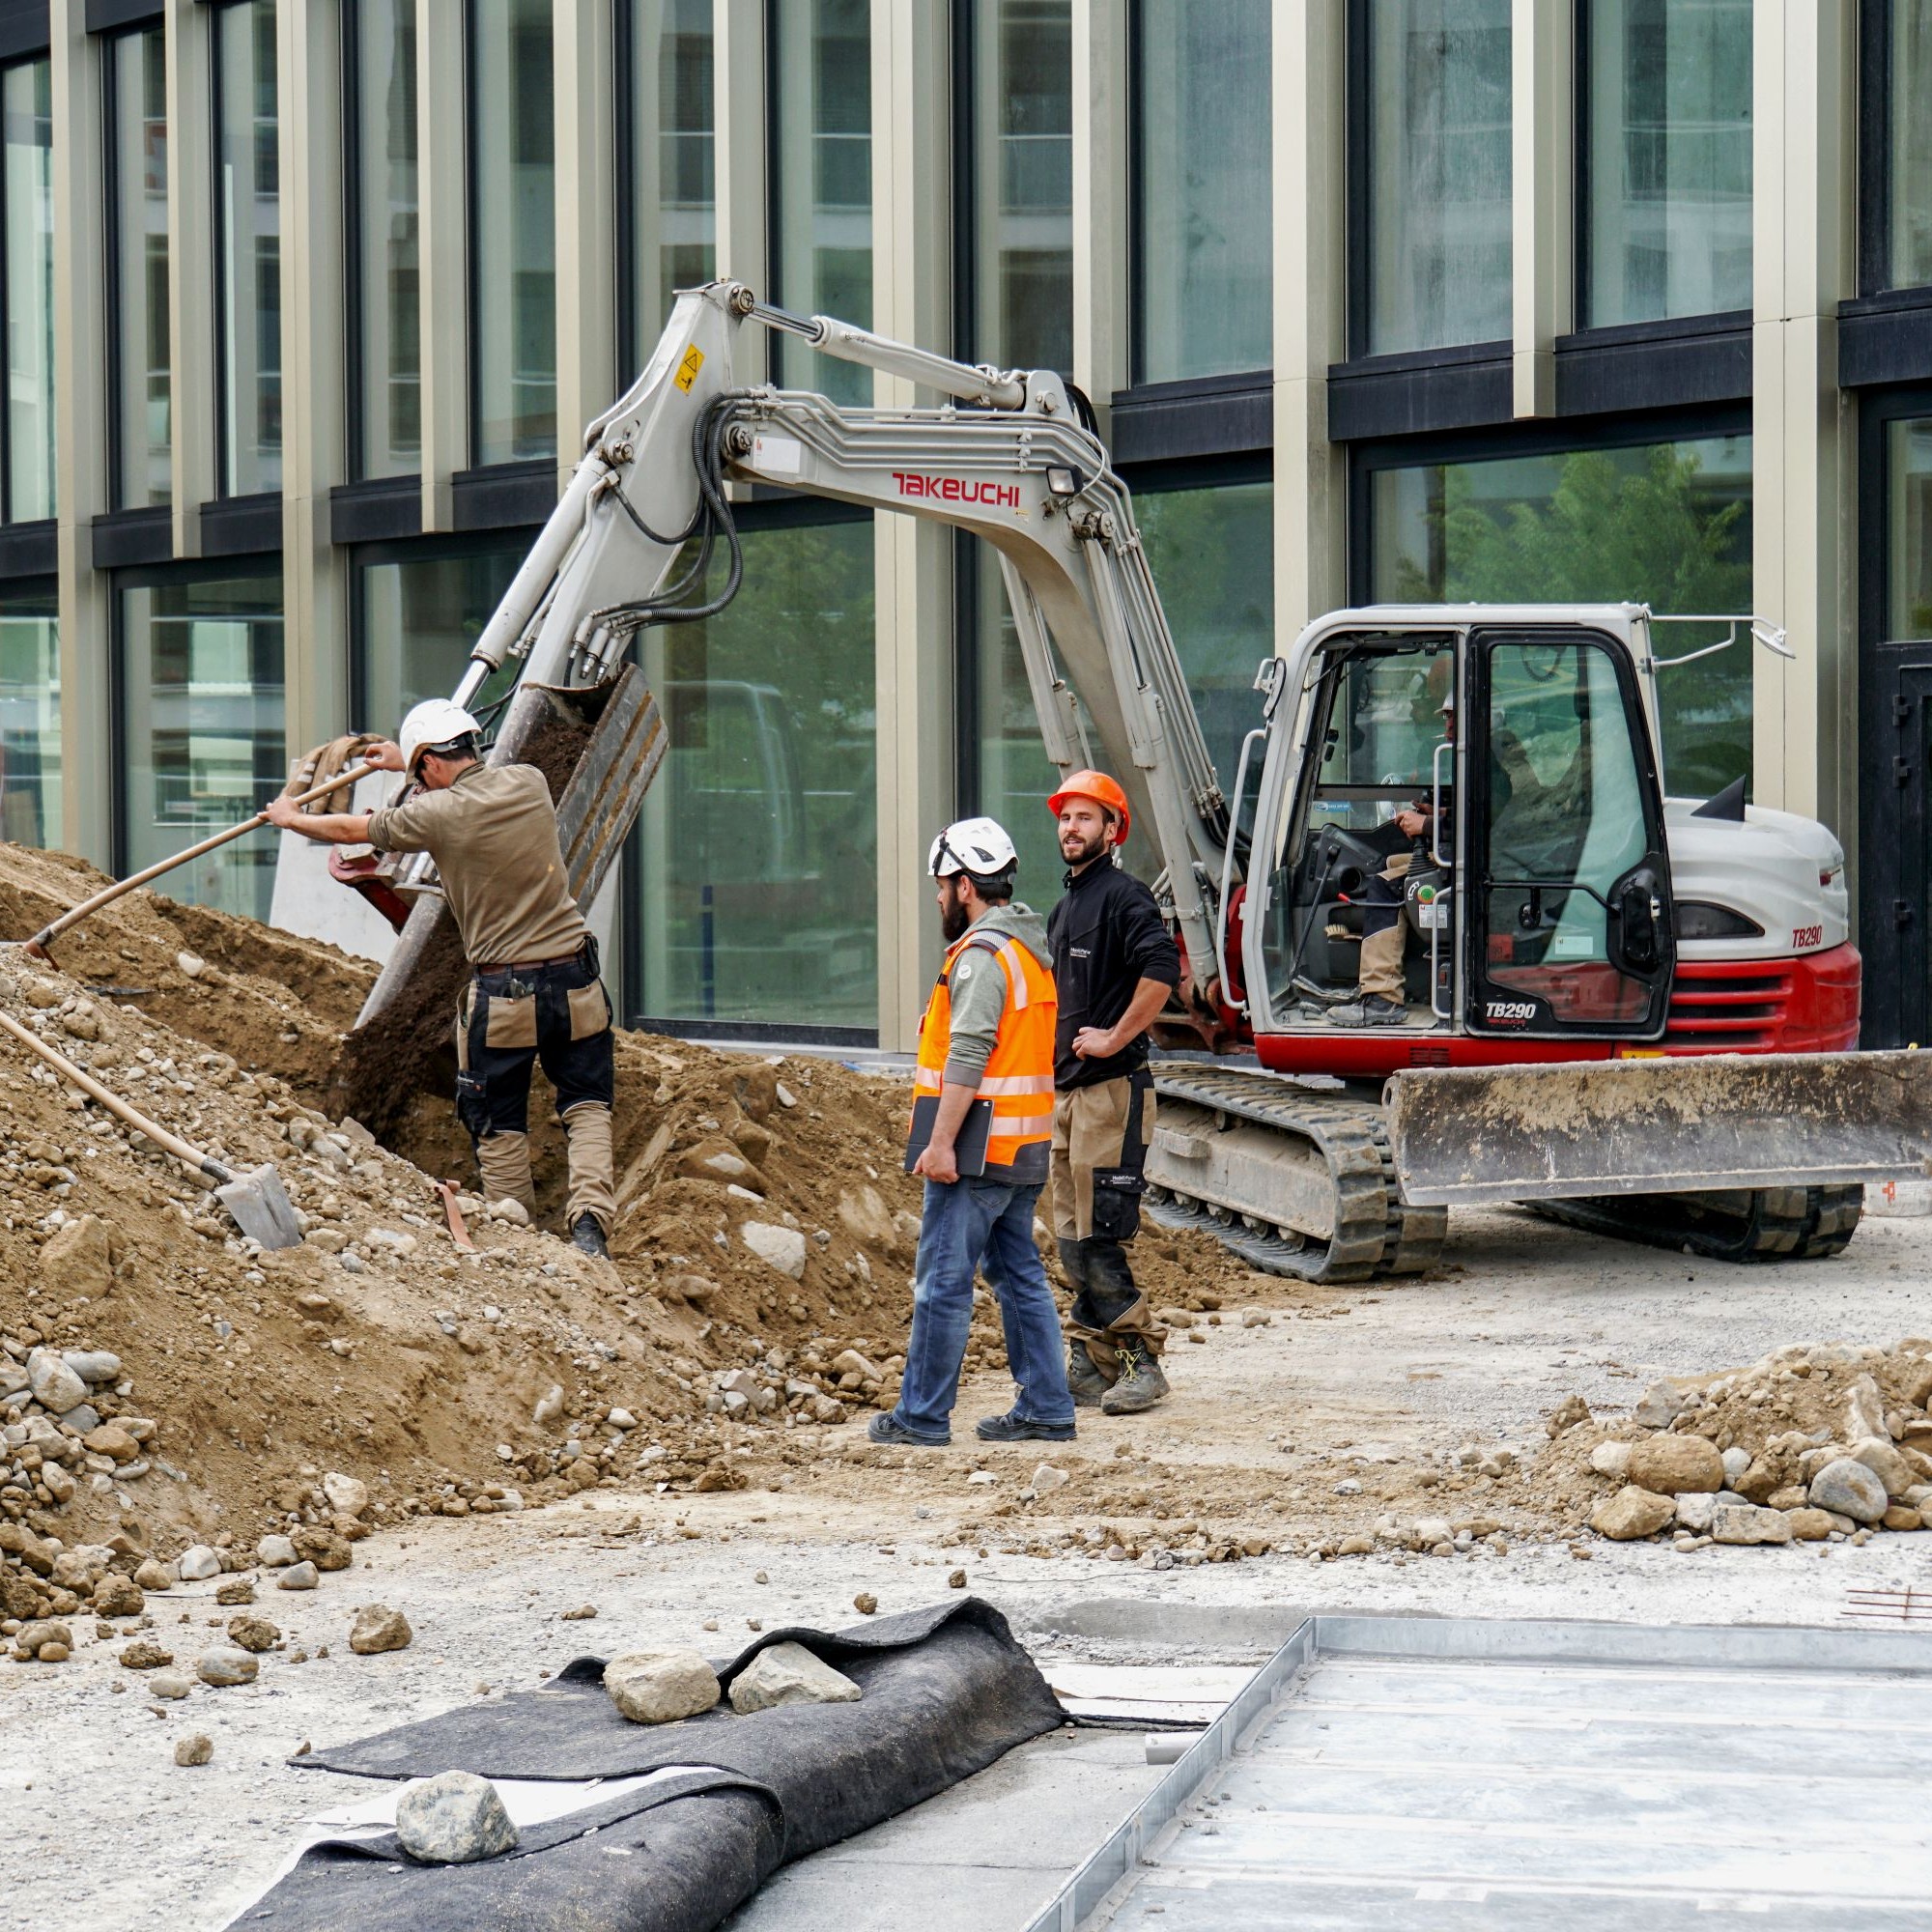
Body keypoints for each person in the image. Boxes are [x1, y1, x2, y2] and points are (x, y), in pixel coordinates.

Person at [266, 698, 617, 1258]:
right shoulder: (529, 782)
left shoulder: (435, 817)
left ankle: (522, 1241)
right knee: (587, 1103)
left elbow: (352, 828)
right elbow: (471, 776)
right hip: (577, 978)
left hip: (504, 995)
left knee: (499, 1121)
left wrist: (291, 817)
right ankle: (591, 1224)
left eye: (418, 771)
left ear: (429, 763)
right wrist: (400, 762)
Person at [869, 817, 1074, 1448]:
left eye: (941, 885)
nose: (937, 897)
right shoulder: (1024, 951)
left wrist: (938, 1144)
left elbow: (971, 1053)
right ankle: (1047, 1405)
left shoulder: (983, 956)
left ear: (966, 885)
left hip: (975, 1149)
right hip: (1020, 1146)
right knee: (1018, 1276)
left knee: (942, 1281)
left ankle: (921, 1416)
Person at [1046, 772, 1181, 1416]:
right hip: (1069, 1097)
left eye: (1085, 817)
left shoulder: (1126, 898)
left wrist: (1114, 1036)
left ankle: (1139, 1360)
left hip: (1112, 1093)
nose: (1071, 827)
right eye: (1065, 817)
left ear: (1112, 829)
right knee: (1070, 1237)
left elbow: (1164, 971)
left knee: (1101, 1234)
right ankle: (1092, 1360)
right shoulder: (1065, 906)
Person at [1330, 684, 1455, 1029]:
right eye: (1445, 718)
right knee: (1385, 865)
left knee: (1385, 886)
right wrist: (1435, 813)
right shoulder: (1469, 759)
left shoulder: (1486, 766)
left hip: (1464, 866)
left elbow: (1479, 825)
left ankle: (1382, 996)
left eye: (1453, 718)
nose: (1447, 726)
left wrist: (1427, 823)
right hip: (1454, 855)